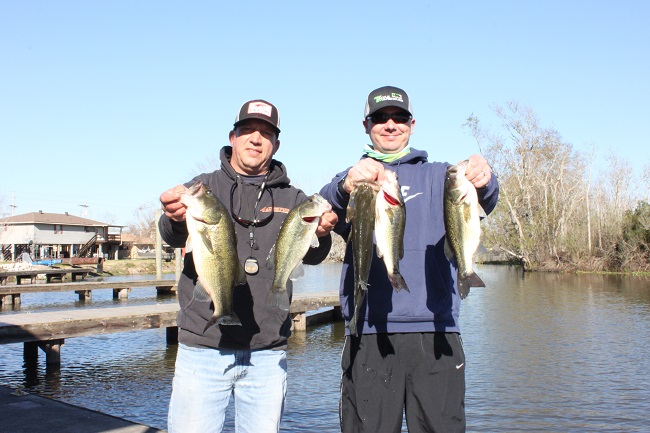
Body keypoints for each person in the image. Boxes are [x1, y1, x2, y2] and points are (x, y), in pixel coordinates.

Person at [319, 86, 499, 433]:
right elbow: (321, 209)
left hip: (437, 330)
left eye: (399, 117)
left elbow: (486, 198)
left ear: (412, 125)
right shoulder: (353, 180)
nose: (390, 125)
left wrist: (484, 176)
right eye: (380, 118)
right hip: (369, 330)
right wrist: (345, 185)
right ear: (366, 125)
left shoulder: (441, 175)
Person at [159, 99, 337, 433]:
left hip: (267, 351)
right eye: (248, 130)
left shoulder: (293, 198)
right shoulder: (204, 187)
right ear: (233, 137)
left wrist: (322, 234)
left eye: (266, 133)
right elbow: (171, 235)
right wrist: (173, 217)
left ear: (276, 144)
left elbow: (313, 256)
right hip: (203, 345)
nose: (256, 139)